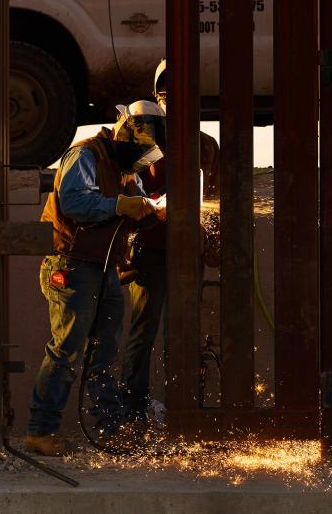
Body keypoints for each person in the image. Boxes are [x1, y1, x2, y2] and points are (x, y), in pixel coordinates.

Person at [26, 100, 167, 457]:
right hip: (71, 266)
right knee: (66, 350)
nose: (139, 167)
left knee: (104, 353)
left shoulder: (125, 167)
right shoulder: (84, 155)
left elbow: (133, 206)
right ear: (126, 135)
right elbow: (74, 202)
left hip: (103, 269)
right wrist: (120, 205)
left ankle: (112, 431)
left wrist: (150, 210)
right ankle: (40, 431)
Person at [119, 59, 220, 425]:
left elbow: (215, 200)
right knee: (144, 331)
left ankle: (183, 407)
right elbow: (126, 186)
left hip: (187, 252)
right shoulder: (142, 140)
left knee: (182, 332)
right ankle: (134, 412)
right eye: (166, 94)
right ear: (158, 97)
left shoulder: (206, 146)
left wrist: (212, 247)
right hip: (148, 251)